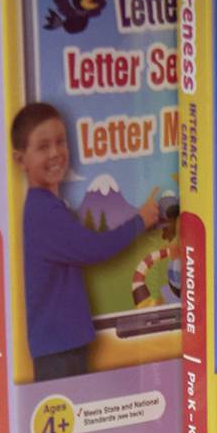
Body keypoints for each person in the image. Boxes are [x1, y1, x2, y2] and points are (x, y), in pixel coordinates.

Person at [11, 101, 162, 382]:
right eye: (43, 147)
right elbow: (94, 248)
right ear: (21, 160)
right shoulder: (44, 213)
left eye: (60, 142)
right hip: (59, 350)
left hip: (63, 344)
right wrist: (140, 220)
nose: (56, 152)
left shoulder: (48, 207)